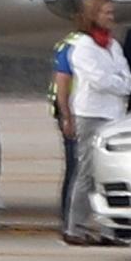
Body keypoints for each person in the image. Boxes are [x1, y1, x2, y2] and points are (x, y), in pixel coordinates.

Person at [63, 0, 131, 246]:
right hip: (91, 114)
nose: (111, 17)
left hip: (114, 115)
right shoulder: (83, 46)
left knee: (111, 174)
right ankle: (75, 227)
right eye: (107, 12)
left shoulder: (113, 46)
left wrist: (118, 82)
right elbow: (98, 80)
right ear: (94, 15)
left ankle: (109, 229)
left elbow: (126, 79)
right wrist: (118, 82)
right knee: (87, 172)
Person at [49, 27, 82, 236]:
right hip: (74, 113)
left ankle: (73, 216)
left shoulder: (67, 42)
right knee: (75, 169)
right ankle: (69, 217)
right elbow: (63, 83)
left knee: (77, 169)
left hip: (78, 112)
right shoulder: (75, 46)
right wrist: (66, 116)